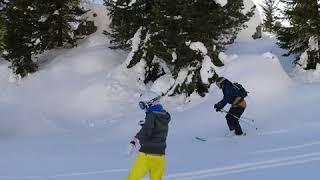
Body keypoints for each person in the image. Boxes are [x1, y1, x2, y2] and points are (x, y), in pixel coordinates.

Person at [126, 91, 171, 180]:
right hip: (160, 155)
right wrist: (145, 125)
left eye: (142, 105)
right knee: (156, 178)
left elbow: (147, 131)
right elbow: (156, 129)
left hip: (146, 154)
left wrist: (135, 140)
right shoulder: (164, 116)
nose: (143, 108)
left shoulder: (151, 115)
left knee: (132, 178)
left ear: (150, 103)